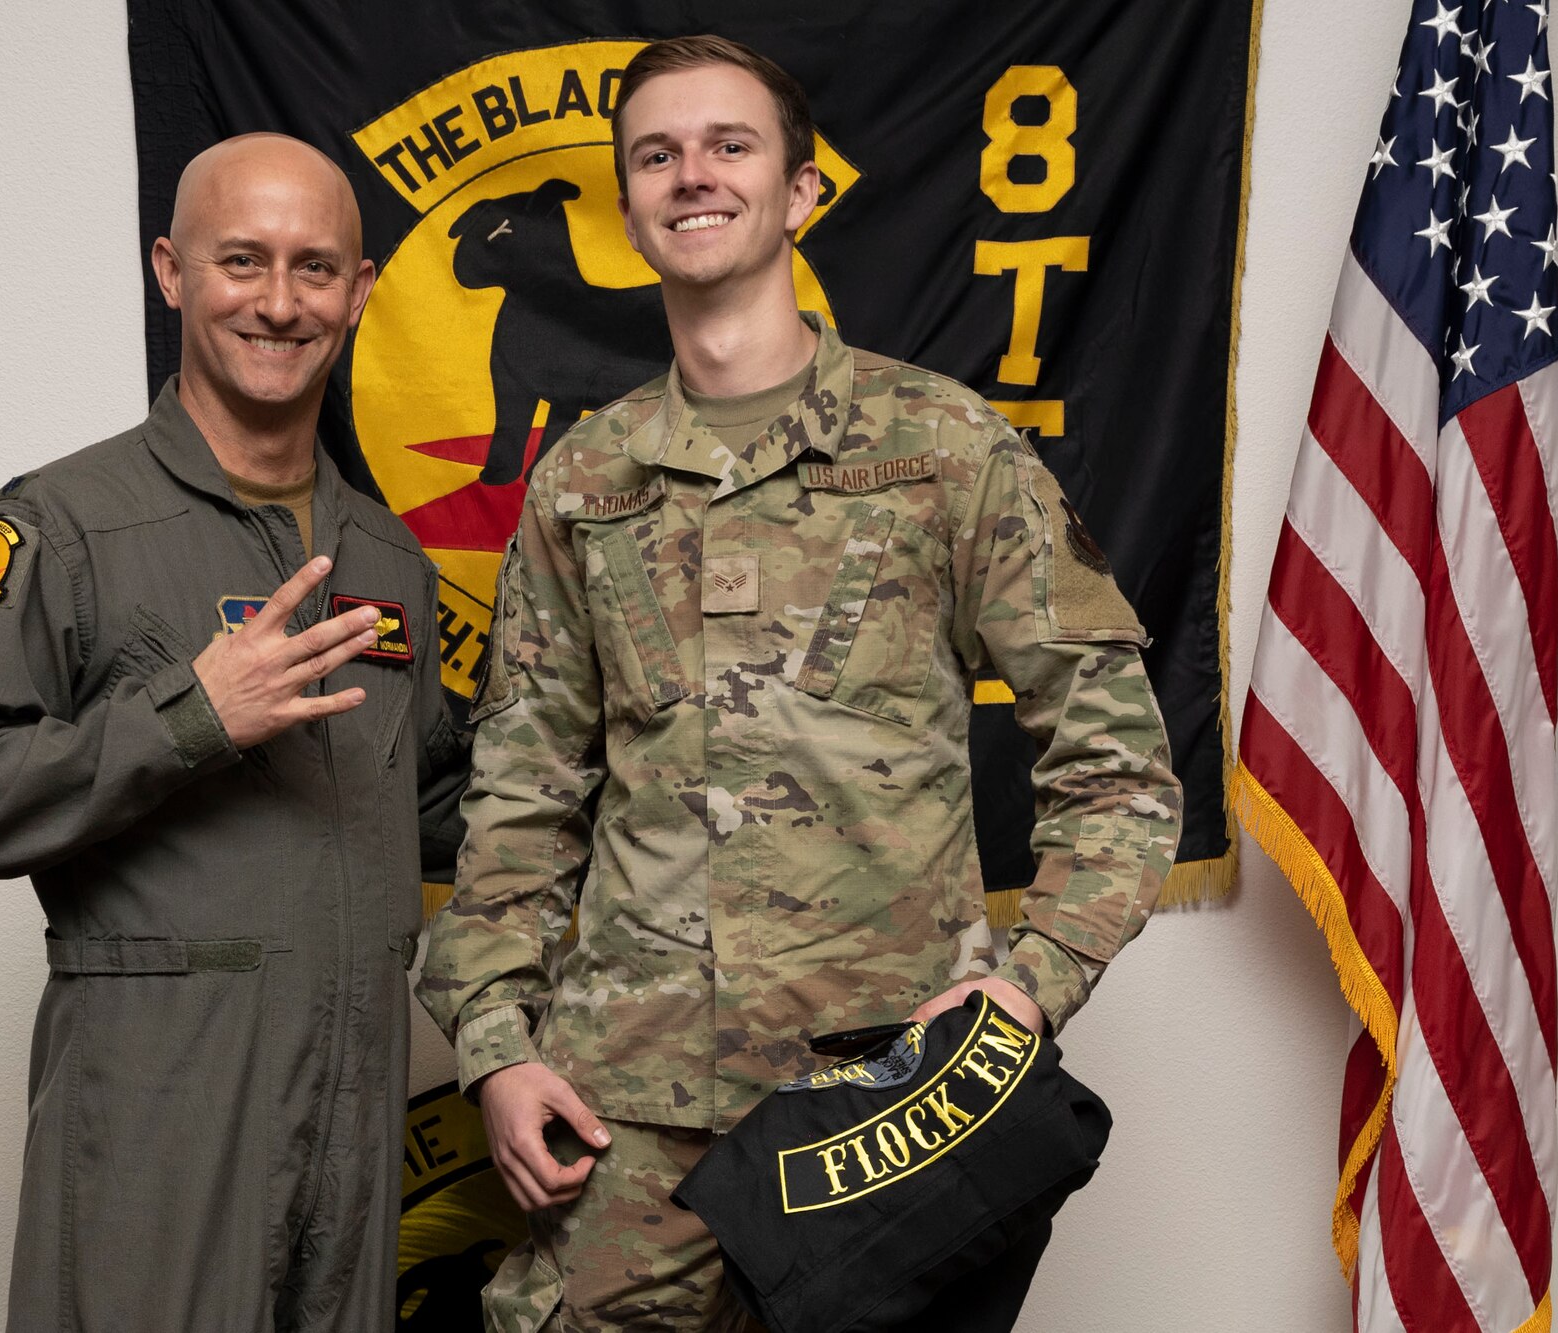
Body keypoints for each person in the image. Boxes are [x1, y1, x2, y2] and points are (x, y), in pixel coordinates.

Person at [418, 36, 1183, 1331]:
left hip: (880, 1112)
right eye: (656, 152)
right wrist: (494, 1045)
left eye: (730, 145)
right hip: (624, 1114)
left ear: (801, 192)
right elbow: (519, 806)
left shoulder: (941, 450)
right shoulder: (584, 485)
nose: (692, 174)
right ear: (626, 195)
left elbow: (1118, 770)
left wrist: (1029, 982)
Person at [0, 133, 466, 1331]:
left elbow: (436, 802)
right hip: (161, 1108)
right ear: (171, 271)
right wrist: (192, 718)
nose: (278, 300)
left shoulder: (386, 559)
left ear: (358, 292)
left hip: (357, 1108)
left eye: (314, 268)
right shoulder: (67, 523)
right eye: (240, 260)